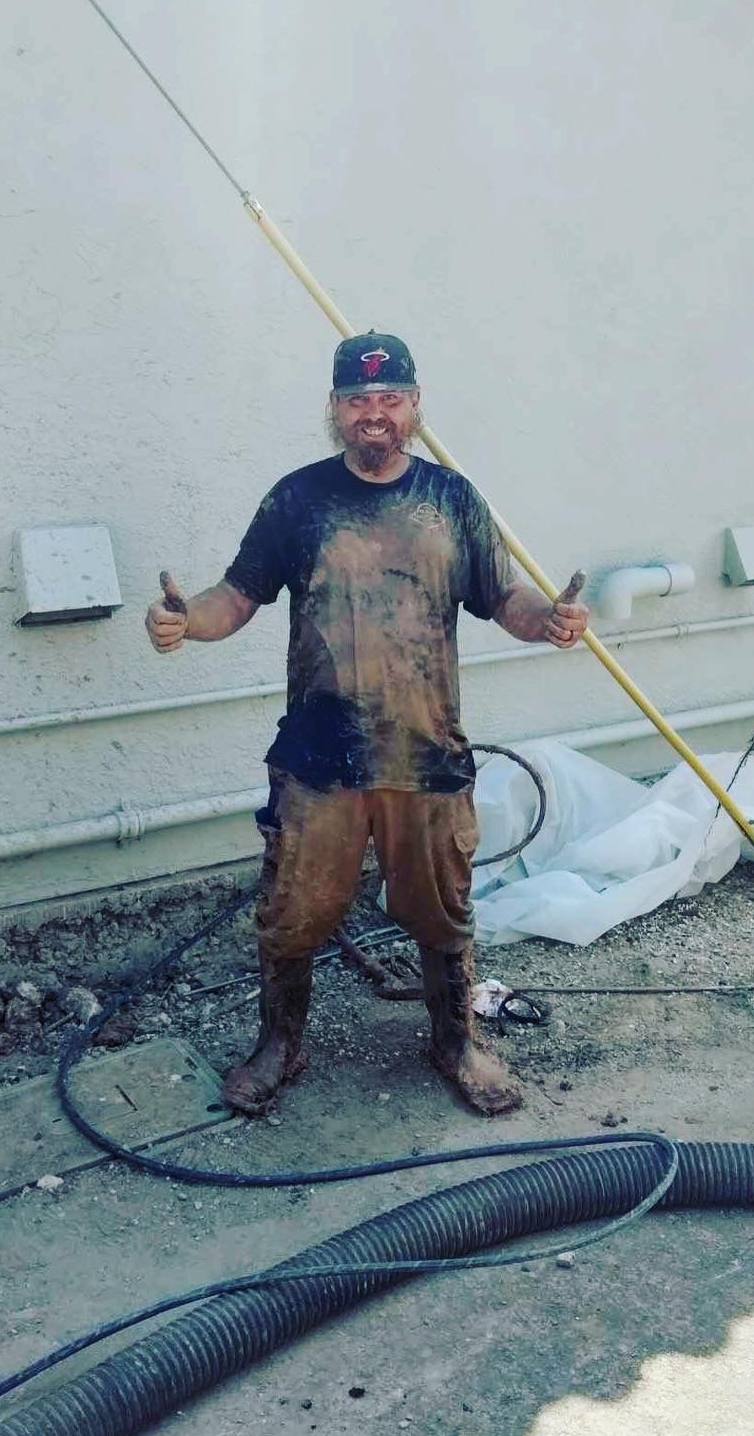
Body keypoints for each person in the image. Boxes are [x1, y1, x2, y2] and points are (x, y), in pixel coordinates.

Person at [145, 332, 588, 1117]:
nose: (373, 414)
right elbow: (237, 594)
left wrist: (547, 620)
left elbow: (504, 598)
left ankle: (457, 1043)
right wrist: (188, 622)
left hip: (426, 755)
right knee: (293, 912)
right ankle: (280, 1044)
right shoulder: (298, 500)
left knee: (442, 911)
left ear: (414, 405)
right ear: (335, 410)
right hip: (321, 758)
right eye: (357, 400)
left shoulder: (453, 500)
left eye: (389, 399)